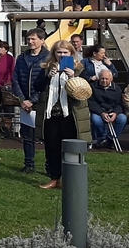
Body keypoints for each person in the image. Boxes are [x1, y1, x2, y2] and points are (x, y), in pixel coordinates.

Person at [35, 41, 91, 189]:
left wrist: (74, 77)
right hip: (51, 115)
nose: (62, 55)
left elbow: (87, 91)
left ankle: (70, 179)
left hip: (71, 115)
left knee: (71, 147)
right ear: (54, 53)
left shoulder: (79, 69)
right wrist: (48, 76)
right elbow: (37, 86)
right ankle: (54, 178)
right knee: (52, 147)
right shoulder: (47, 68)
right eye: (59, 52)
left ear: (71, 53)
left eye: (65, 52)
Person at [12, 28, 50, 174]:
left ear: (42, 40)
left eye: (33, 39)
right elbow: (15, 78)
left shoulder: (48, 57)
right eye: (28, 39)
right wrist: (22, 100)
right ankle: (29, 164)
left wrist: (33, 100)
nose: (30, 41)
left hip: (42, 102)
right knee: (27, 135)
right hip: (25, 102)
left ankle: (49, 166)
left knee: (46, 136)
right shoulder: (22, 58)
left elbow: (47, 82)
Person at [89, 69, 127, 149]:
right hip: (99, 111)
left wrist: (115, 113)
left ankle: (109, 140)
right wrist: (101, 113)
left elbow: (119, 104)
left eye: (106, 79)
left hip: (112, 111)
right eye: (102, 78)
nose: (104, 80)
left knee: (123, 119)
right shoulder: (92, 87)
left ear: (111, 79)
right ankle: (102, 138)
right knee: (96, 120)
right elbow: (92, 103)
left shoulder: (117, 89)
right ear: (99, 78)